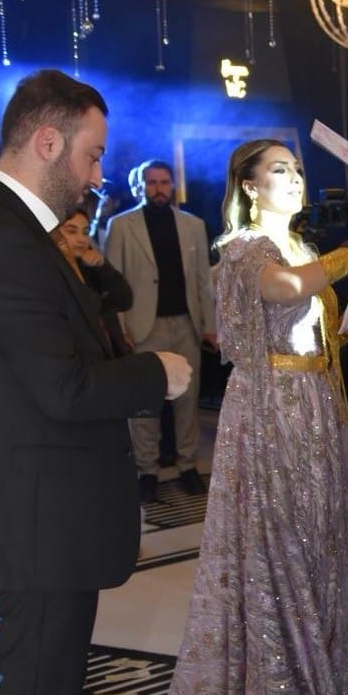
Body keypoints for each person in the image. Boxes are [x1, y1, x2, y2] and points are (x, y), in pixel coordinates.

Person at [0, 69, 191, 695]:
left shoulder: (25, 234)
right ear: (46, 141)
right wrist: (158, 373)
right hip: (32, 525)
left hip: (43, 516)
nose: (97, 171)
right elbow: (64, 387)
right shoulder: (7, 238)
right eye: (92, 152)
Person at [130, 140, 348, 695]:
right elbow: (287, 289)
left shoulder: (300, 249)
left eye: (298, 169)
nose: (296, 179)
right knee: (282, 549)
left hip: (316, 407)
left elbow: (311, 330)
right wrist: (347, 259)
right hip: (273, 411)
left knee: (321, 544)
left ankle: (322, 691)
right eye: (280, 170)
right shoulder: (248, 248)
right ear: (249, 186)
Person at [103, 158, 217, 501]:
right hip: (143, 325)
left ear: (173, 186)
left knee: (187, 401)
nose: (158, 189)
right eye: (151, 183)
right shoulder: (121, 226)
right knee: (145, 403)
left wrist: (210, 326)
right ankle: (146, 470)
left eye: (164, 182)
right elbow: (113, 282)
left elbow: (203, 280)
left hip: (185, 323)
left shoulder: (193, 225)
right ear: (140, 187)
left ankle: (187, 465)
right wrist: (120, 328)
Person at [52, 205, 133, 356]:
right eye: (72, 231)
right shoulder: (51, 270)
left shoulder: (92, 267)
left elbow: (125, 300)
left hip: (109, 354)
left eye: (85, 232)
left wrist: (104, 266)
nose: (81, 239)